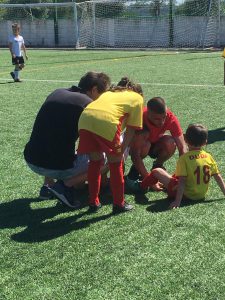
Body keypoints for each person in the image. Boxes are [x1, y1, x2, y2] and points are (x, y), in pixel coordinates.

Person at [24, 71, 111, 208]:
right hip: (57, 167)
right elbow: (95, 144)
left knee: (51, 139)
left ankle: (47, 186)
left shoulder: (57, 92)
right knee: (105, 158)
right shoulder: (88, 105)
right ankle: (64, 186)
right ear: (94, 89)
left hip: (31, 159)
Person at [77, 77, 144, 213]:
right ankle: (119, 203)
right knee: (115, 164)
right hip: (106, 121)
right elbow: (131, 130)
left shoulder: (108, 93)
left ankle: (93, 202)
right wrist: (122, 150)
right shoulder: (137, 98)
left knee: (95, 162)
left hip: (85, 119)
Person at [127, 124, 225, 209]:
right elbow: (218, 177)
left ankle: (141, 186)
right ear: (205, 142)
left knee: (157, 171)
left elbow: (182, 181)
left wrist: (178, 201)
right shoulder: (208, 157)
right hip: (201, 195)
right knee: (174, 176)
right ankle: (161, 185)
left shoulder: (185, 158)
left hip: (186, 195)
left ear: (185, 140)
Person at [127, 96, 186, 180]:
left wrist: (182, 174)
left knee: (170, 142)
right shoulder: (140, 117)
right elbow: (134, 153)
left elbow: (182, 147)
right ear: (148, 113)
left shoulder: (170, 117)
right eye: (157, 119)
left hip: (156, 144)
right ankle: (135, 169)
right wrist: (148, 180)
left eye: (164, 117)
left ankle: (158, 165)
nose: (162, 122)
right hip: (139, 146)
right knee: (145, 143)